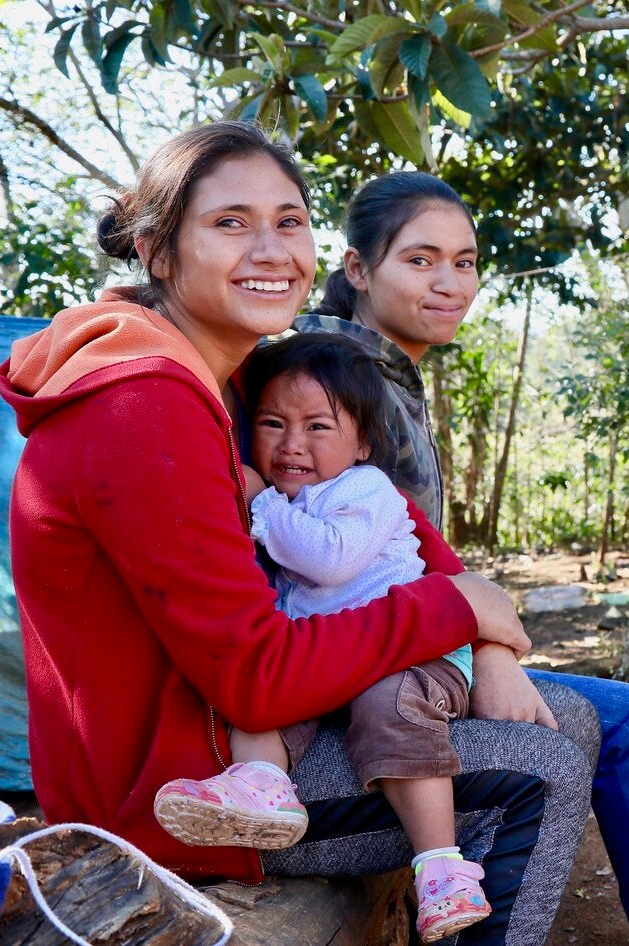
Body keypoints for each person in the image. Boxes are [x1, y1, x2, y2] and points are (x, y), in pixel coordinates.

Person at [0, 122, 596, 946]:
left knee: (566, 719)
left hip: (234, 733)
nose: (271, 249)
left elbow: (385, 506)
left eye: (290, 220)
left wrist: (484, 627)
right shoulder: (143, 405)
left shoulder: (228, 371)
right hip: (185, 786)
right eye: (230, 223)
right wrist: (457, 610)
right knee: (546, 764)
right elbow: (256, 680)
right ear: (157, 252)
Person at [294, 170, 629, 946]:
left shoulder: (378, 368)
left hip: (401, 649)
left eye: (465, 261)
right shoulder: (340, 380)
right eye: (419, 261)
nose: (450, 283)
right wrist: (484, 647)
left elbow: (414, 551)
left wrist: (484, 636)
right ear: (358, 270)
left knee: (623, 714)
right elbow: (347, 559)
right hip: (354, 674)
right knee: (621, 717)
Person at [155, 333, 491, 942]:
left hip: (414, 658)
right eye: (272, 423)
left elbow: (330, 560)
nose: (291, 446)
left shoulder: (364, 492)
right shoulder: (290, 502)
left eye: (317, 427)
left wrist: (261, 504)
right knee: (261, 692)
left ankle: (441, 866)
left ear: (361, 443)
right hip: (336, 655)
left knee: (390, 708)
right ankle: (263, 789)